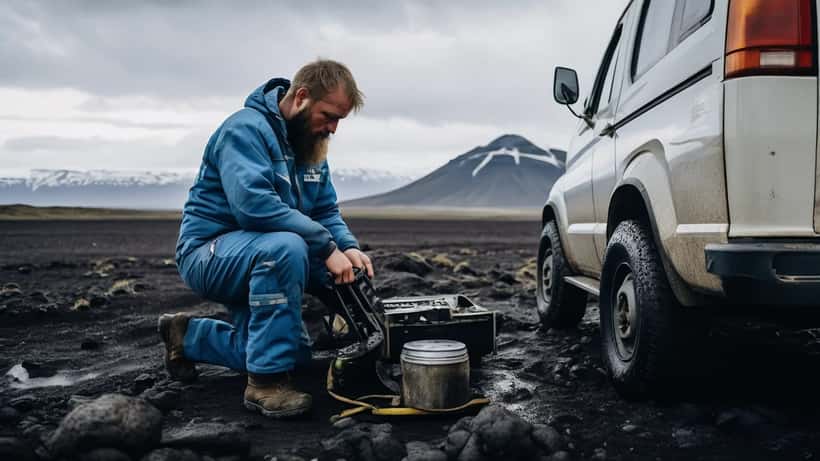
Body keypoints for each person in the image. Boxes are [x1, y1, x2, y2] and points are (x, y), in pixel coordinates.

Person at [159, 59, 373, 418]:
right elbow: (254, 207)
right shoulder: (245, 130)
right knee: (288, 247)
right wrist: (327, 247)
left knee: (295, 356)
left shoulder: (310, 144)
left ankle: (187, 336)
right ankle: (265, 384)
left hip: (260, 254)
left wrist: (347, 247)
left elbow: (324, 211)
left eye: (340, 120)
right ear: (301, 97)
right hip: (210, 253)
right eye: (328, 116)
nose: (333, 129)